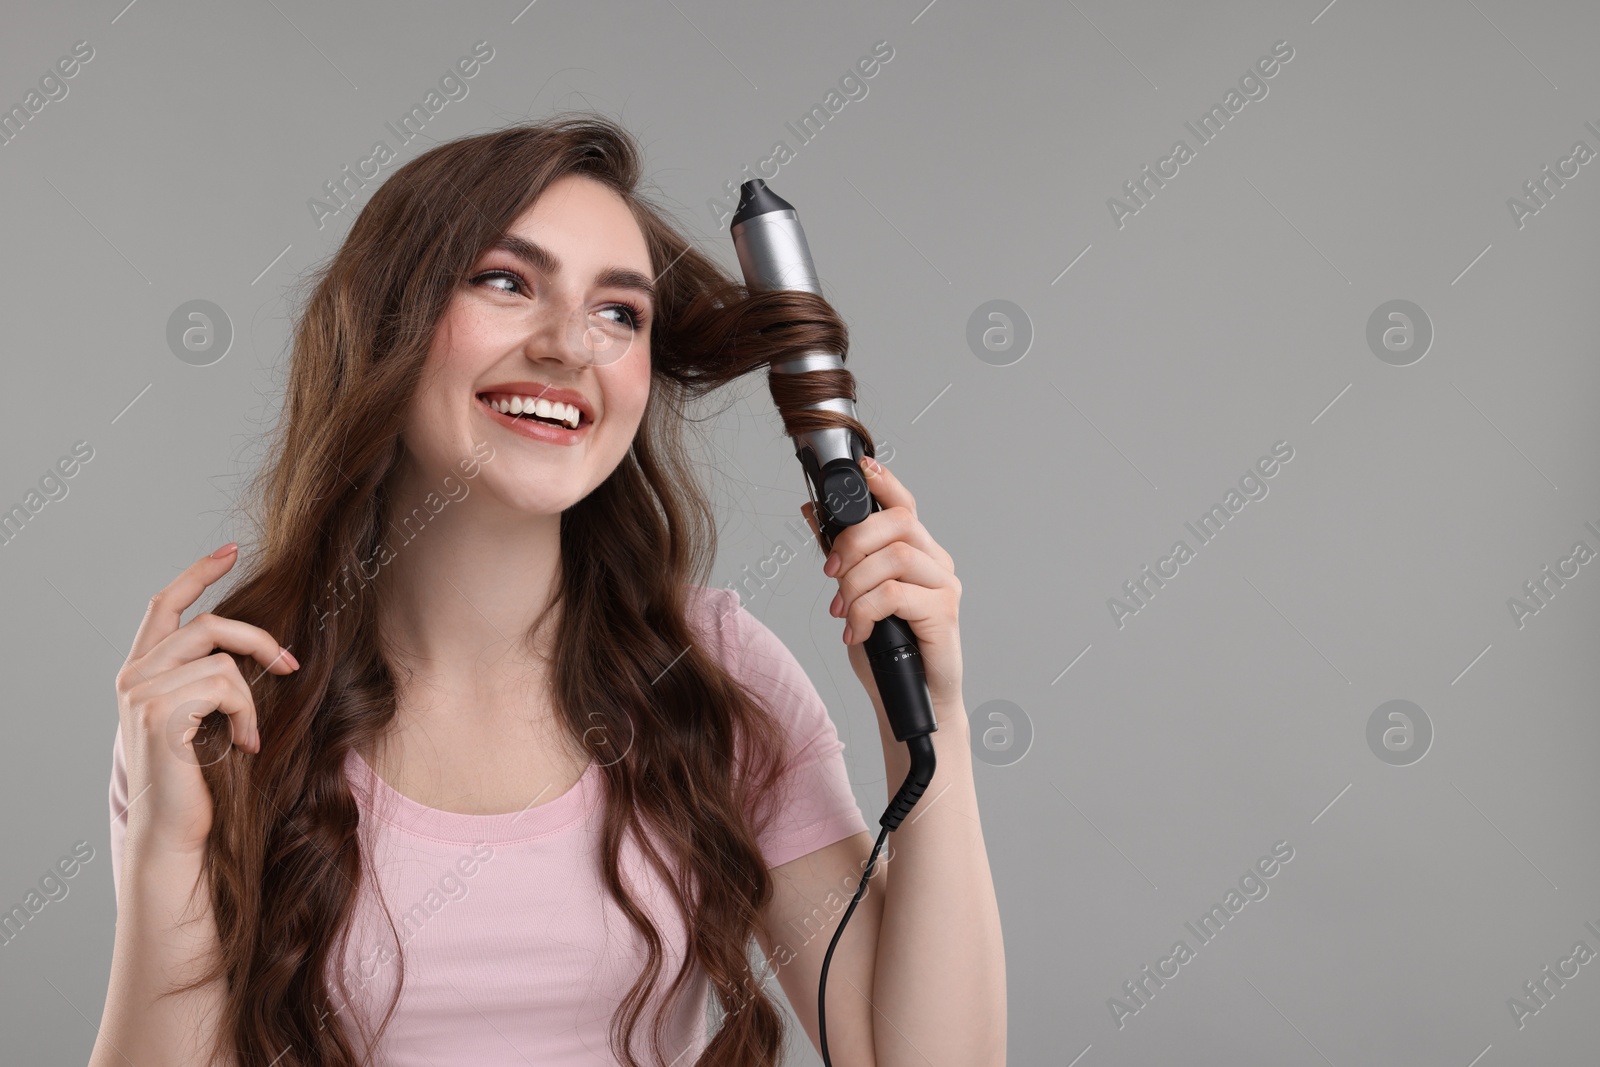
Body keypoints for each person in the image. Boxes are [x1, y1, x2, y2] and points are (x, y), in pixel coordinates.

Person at [92, 114, 1005, 1067]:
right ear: (386, 321)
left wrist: (929, 720)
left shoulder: (710, 677)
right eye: (505, 281)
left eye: (621, 312)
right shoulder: (229, 702)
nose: (571, 345)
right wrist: (165, 854)